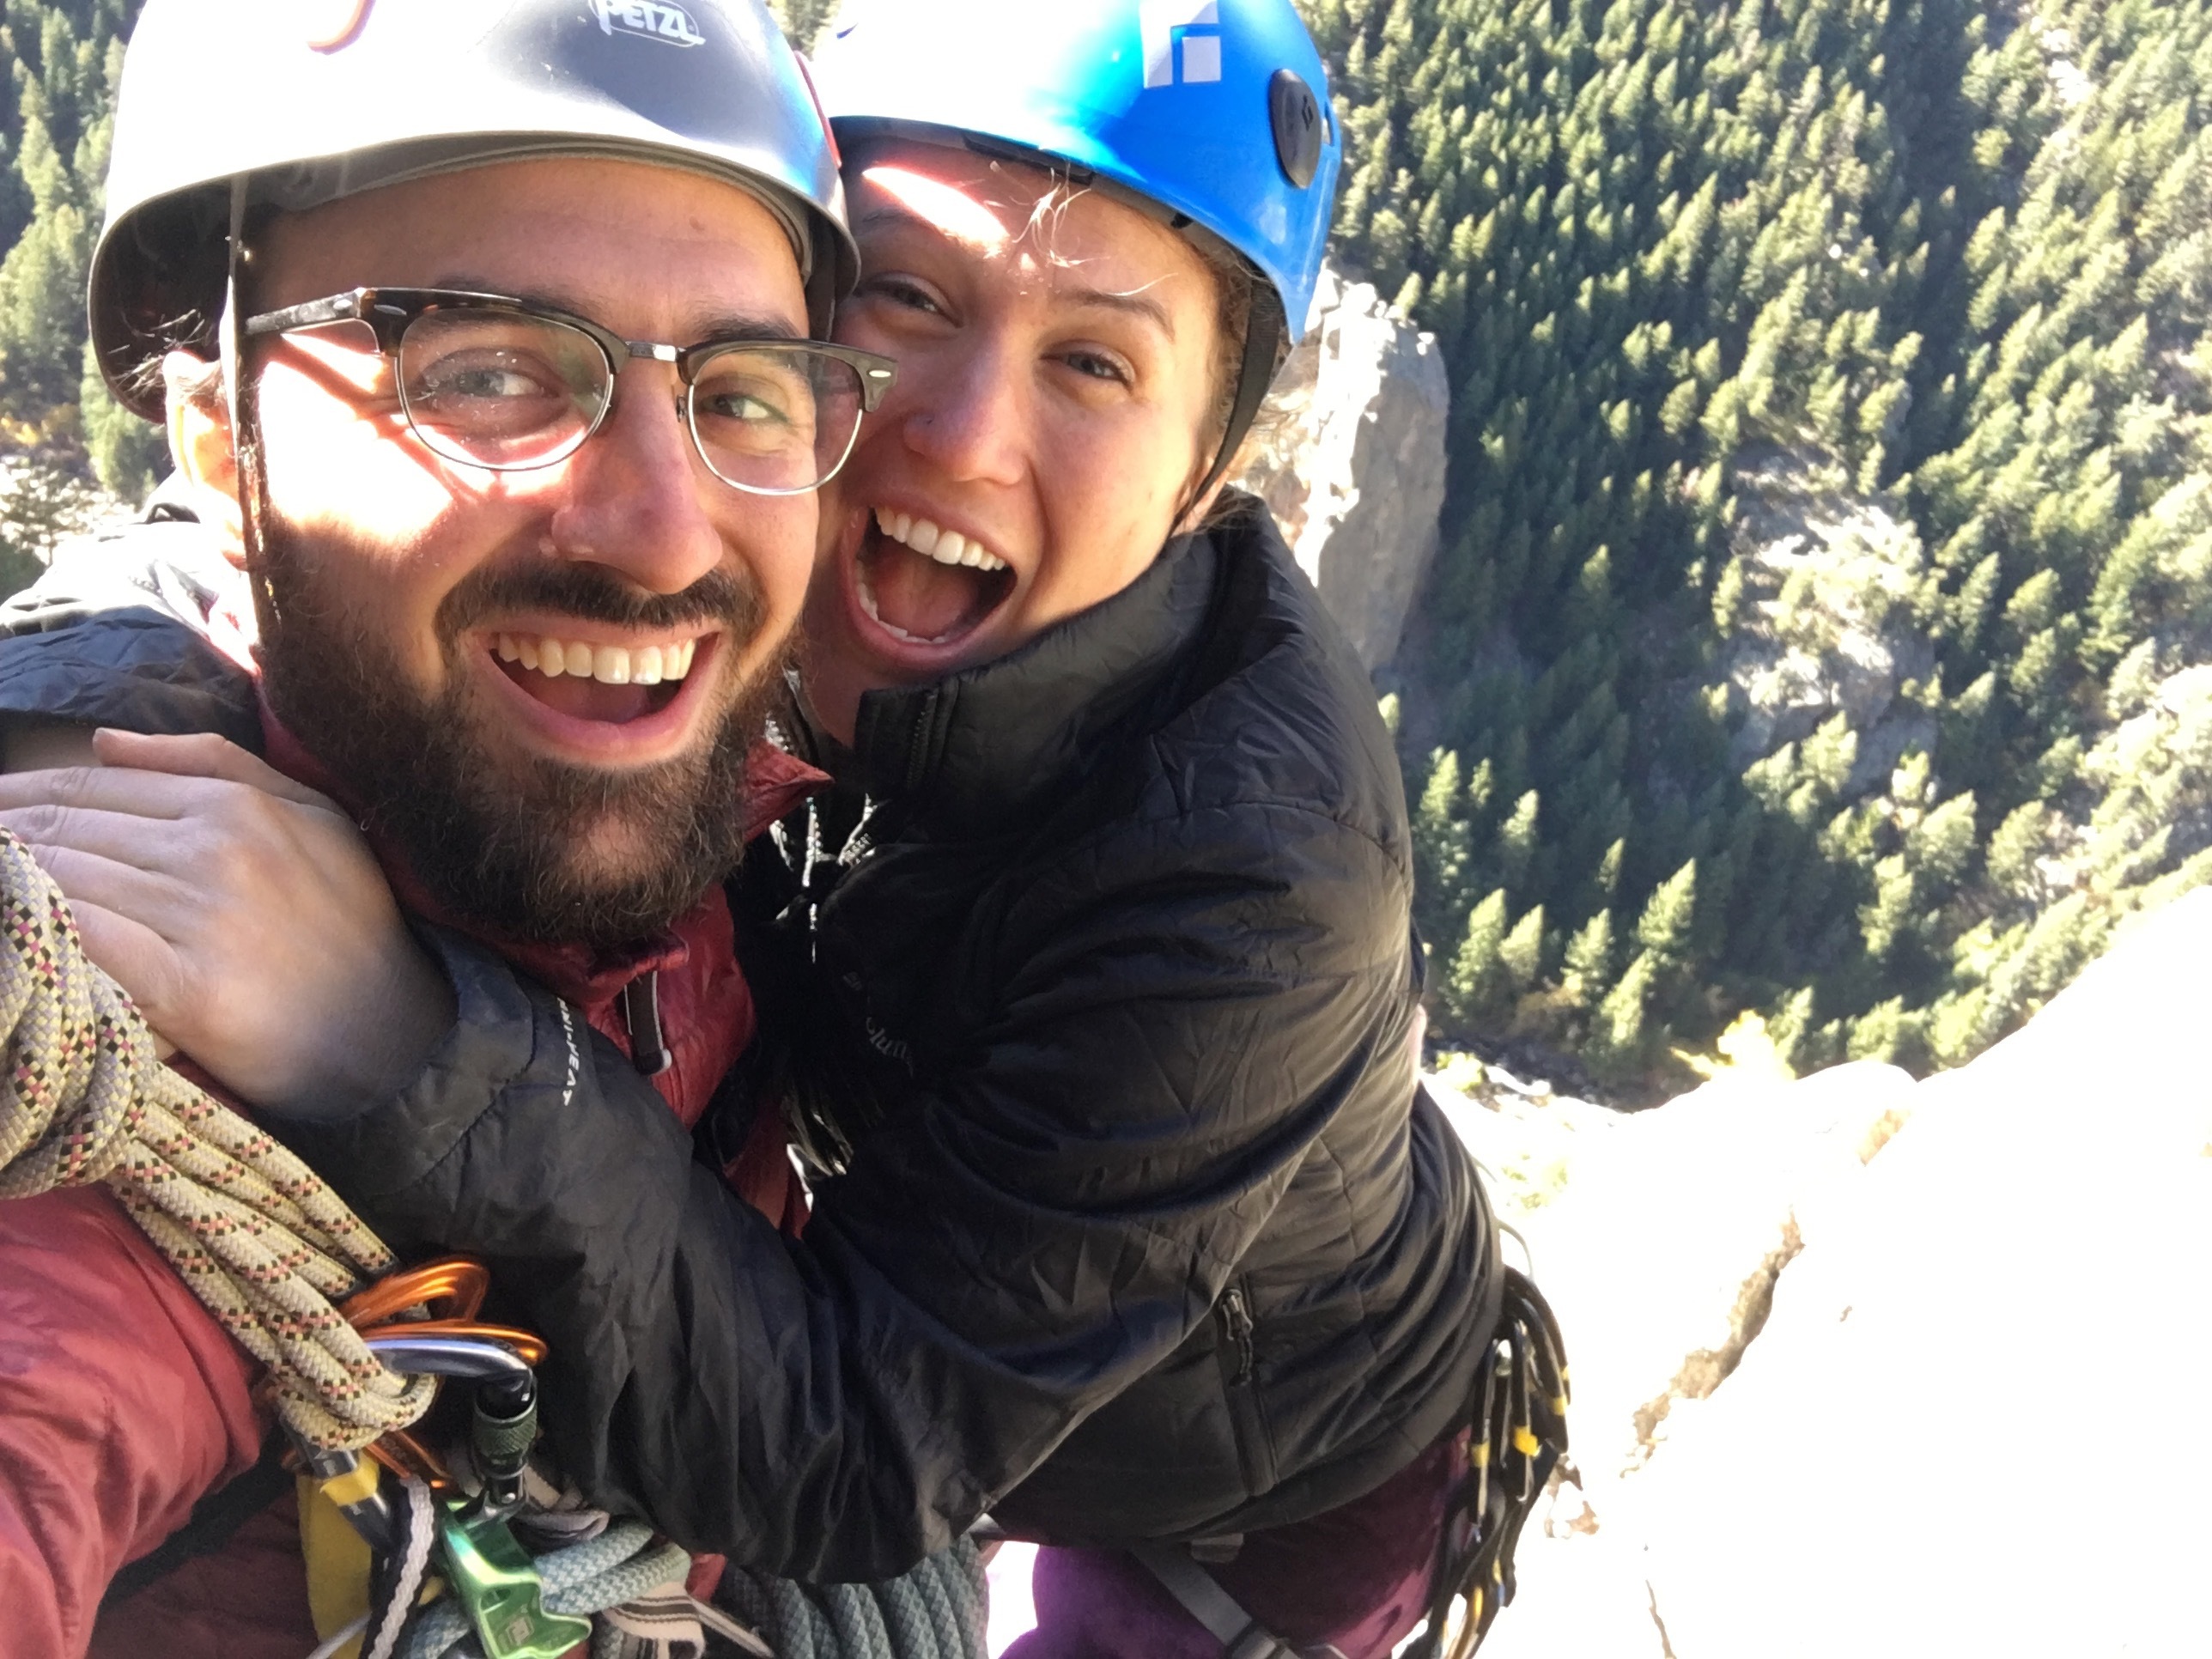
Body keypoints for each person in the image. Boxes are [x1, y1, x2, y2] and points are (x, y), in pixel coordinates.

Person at [6, 3, 1565, 1656]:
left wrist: (398, 1031)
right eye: (904, 301)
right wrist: (57, 736)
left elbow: (863, 1446)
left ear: (1205, 483)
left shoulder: (1249, 885)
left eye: (1095, 362)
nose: (956, 435)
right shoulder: (737, 525)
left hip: (1265, 1480)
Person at [0, 2, 885, 1655]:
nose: (661, 528)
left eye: (747, 391)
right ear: (219, 434)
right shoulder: (99, 1011)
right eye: (481, 367)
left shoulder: (749, 814)